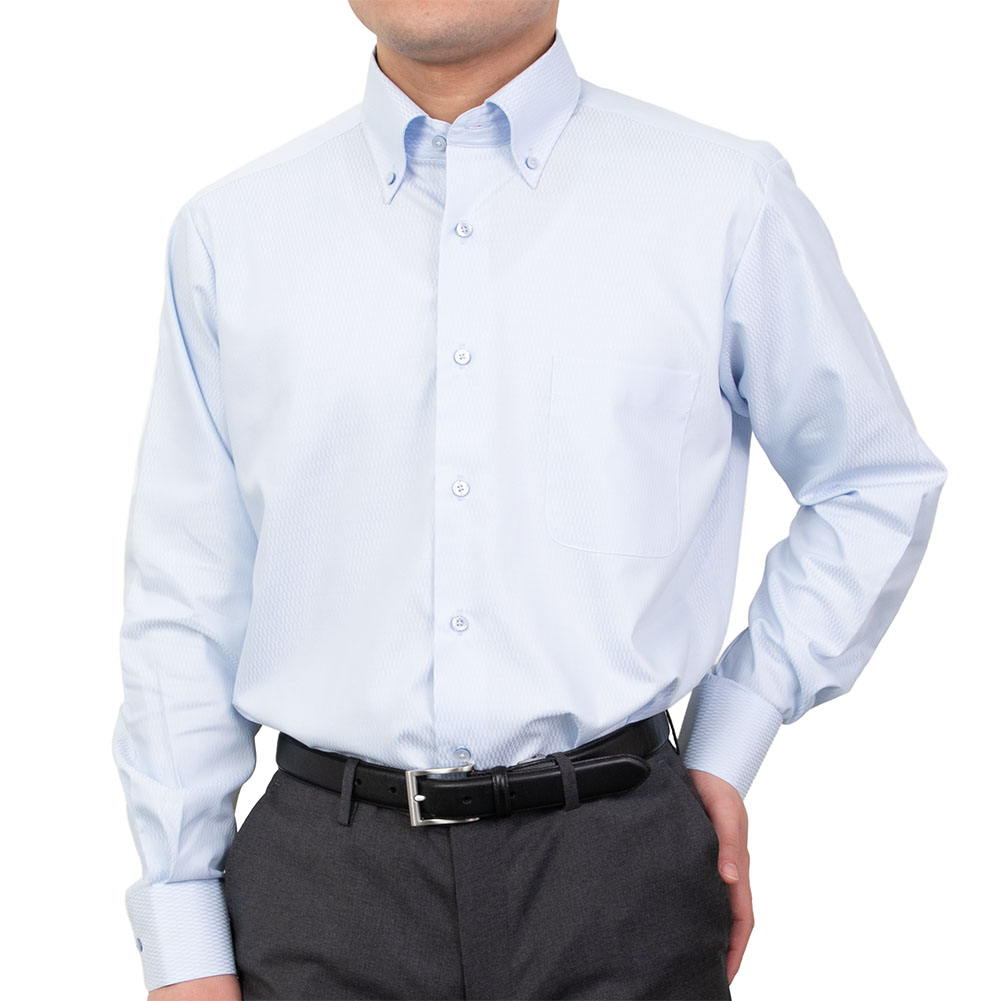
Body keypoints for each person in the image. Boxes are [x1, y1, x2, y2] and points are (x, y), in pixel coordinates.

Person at [111, 2, 948, 999]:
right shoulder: (232, 235)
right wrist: (181, 928)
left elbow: (870, 480)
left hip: (618, 872)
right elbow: (184, 594)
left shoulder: (723, 201)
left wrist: (731, 733)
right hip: (321, 889)